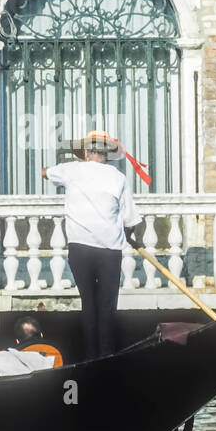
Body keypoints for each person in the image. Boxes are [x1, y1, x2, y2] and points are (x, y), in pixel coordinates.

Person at [42, 131, 146, 360]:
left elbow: (44, 173)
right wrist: (130, 234)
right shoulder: (117, 177)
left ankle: (90, 357)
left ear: (86, 153)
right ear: (106, 155)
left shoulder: (70, 169)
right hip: (110, 250)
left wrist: (60, 173)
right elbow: (131, 219)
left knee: (89, 304)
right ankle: (106, 356)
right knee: (107, 306)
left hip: (80, 248)